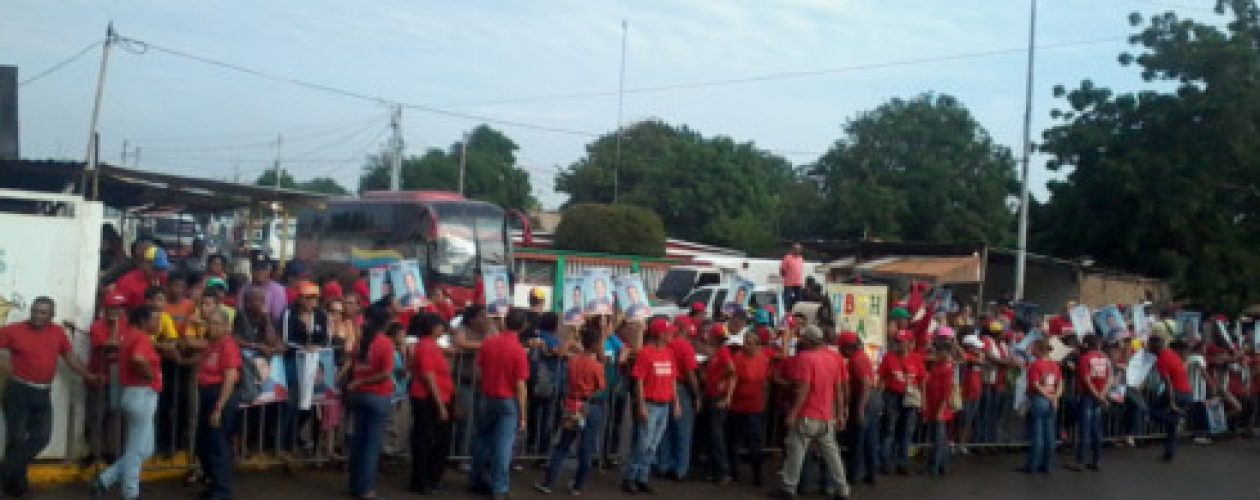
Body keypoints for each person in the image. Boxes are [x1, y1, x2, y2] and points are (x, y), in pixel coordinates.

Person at [0, 298, 97, 498]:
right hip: (19, 390)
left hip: (43, 392)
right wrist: (4, 364)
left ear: (51, 315)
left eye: (43, 312)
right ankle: (16, 484)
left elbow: (69, 357)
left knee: (42, 437)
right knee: (16, 438)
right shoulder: (13, 330)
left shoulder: (57, 332)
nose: (37, 315)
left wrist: (88, 375)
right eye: (35, 311)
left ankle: (6, 475)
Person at [91, 305, 163, 500]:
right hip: (142, 393)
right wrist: (150, 374)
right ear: (143, 320)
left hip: (135, 393)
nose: (158, 323)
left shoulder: (130, 335)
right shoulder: (139, 337)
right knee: (136, 449)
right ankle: (130, 493)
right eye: (155, 319)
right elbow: (138, 358)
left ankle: (105, 480)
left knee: (144, 449)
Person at [770, 325, 849, 500]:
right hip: (826, 415)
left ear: (808, 340)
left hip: (807, 414)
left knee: (796, 452)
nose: (801, 340)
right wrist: (841, 413)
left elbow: (803, 389)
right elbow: (839, 389)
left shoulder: (805, 358)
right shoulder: (833, 358)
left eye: (803, 338)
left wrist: (793, 413)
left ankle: (789, 487)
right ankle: (842, 488)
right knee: (832, 455)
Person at [535, 323, 608, 496]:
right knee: (586, 447)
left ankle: (548, 482)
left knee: (563, 444)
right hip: (590, 405)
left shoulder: (573, 361)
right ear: (595, 345)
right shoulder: (596, 366)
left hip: (572, 404)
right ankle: (578, 485)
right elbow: (601, 386)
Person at [471, 308, 530, 500]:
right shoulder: (518, 351)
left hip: (487, 397)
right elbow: (521, 386)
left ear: (505, 322)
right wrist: (523, 414)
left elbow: (477, 371)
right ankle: (499, 487)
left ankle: (477, 478)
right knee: (503, 446)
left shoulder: (488, 343)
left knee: (482, 440)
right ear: (522, 327)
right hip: (507, 401)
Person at [343, 305, 397, 500]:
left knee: (358, 442)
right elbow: (385, 373)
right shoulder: (384, 343)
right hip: (377, 395)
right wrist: (364, 381)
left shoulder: (361, 340)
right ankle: (365, 489)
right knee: (371, 446)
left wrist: (358, 381)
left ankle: (355, 484)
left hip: (359, 395)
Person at [623, 317, 680, 494]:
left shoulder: (669, 352)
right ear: (660, 334)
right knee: (643, 443)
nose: (671, 334)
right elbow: (638, 380)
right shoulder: (646, 353)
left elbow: (672, 379)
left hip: (664, 405)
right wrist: (641, 405)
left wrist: (675, 402)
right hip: (651, 404)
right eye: (668, 332)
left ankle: (642, 477)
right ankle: (631, 477)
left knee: (653, 444)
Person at [190, 307, 241, 500]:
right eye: (209, 322)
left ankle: (222, 490)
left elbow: (229, 376)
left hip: (220, 395)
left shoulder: (227, 345)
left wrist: (219, 407)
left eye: (215, 323)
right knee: (205, 443)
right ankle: (213, 483)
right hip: (208, 393)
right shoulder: (212, 343)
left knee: (218, 444)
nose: (210, 327)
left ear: (226, 326)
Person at [279, 281, 330, 455]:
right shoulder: (289, 313)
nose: (310, 302)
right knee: (292, 401)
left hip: (314, 361)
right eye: (307, 298)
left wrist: (316, 347)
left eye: (314, 298)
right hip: (293, 360)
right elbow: (286, 339)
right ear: (299, 298)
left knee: (310, 403)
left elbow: (325, 339)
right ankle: (284, 441)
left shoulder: (321, 315)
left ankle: (295, 436)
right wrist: (303, 346)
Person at [408, 312, 455, 494]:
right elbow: (429, 377)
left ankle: (429, 479)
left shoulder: (429, 346)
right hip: (429, 399)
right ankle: (424, 481)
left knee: (432, 440)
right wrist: (441, 405)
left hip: (434, 398)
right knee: (428, 441)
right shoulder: (427, 347)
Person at [727, 322, 774, 487]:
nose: (745, 345)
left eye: (749, 342)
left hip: (755, 407)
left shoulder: (764, 359)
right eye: (745, 341)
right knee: (734, 441)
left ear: (757, 345)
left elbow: (766, 383)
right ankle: (734, 473)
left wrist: (765, 402)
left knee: (755, 442)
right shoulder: (738, 357)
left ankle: (757, 474)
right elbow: (732, 379)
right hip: (737, 406)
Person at [656, 311, 701, 482]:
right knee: (682, 430)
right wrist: (697, 395)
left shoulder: (666, 344)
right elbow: (690, 374)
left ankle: (663, 465)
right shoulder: (684, 346)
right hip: (680, 388)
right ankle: (680, 469)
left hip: (664, 386)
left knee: (665, 430)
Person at [839, 331, 880, 486]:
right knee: (869, 440)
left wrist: (860, 408)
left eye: (841, 347)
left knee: (858, 440)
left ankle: (854, 474)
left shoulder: (856, 360)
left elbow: (865, 383)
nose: (840, 351)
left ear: (848, 347)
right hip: (872, 400)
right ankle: (871, 473)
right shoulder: (861, 357)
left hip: (865, 401)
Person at [878, 331, 921, 475]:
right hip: (891, 396)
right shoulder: (888, 357)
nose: (899, 344)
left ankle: (903, 463)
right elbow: (881, 379)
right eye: (898, 341)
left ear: (910, 343)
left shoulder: (916, 358)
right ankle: (886, 463)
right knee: (889, 429)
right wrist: (880, 398)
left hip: (910, 398)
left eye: (902, 341)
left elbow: (922, 379)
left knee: (907, 431)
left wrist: (923, 400)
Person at [699, 321, 736, 484]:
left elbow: (731, 369)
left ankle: (722, 472)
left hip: (717, 399)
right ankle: (713, 470)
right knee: (711, 435)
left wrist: (721, 382)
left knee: (716, 436)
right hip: (712, 396)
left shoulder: (723, 351)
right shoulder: (716, 352)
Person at [1019, 339, 1062, 474]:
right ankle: (1047, 464)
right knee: (1049, 433)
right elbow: (1060, 383)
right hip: (1051, 398)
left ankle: (1033, 465)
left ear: (1038, 349)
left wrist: (1047, 396)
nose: (1031, 350)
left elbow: (1035, 384)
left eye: (1033, 348)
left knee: (1037, 433)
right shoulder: (1054, 365)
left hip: (1039, 399)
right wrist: (1055, 396)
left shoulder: (1035, 365)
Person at [1071, 335, 1112, 471]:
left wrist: (1096, 395)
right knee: (1096, 429)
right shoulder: (1105, 358)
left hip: (1087, 396)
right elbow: (1110, 378)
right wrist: (1102, 395)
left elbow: (1087, 380)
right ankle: (1097, 460)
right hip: (1099, 395)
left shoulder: (1085, 358)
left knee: (1085, 430)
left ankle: (1080, 461)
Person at [1150, 336, 1192, 462]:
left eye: (1150, 345)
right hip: (1187, 392)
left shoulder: (1161, 359)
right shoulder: (1171, 354)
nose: (1148, 348)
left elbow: (1168, 382)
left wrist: (1172, 402)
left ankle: (1175, 420)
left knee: (1153, 411)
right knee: (1171, 429)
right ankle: (1169, 453)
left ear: (1155, 346)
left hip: (1177, 392)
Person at [923, 338, 955, 476]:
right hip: (933, 406)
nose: (936, 353)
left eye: (939, 351)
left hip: (939, 408)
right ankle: (941, 466)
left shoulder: (947, 369)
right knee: (939, 439)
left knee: (938, 439)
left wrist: (940, 411)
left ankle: (935, 467)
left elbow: (946, 392)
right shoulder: (937, 366)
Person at [113, 244, 169, 310]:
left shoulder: (165, 278)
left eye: (162, 268)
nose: (159, 272)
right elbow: (117, 309)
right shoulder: (126, 282)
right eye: (156, 268)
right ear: (145, 263)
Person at [236, 256, 287, 322]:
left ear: (269, 270)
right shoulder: (244, 288)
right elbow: (240, 313)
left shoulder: (278, 290)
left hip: (270, 326)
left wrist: (264, 315)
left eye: (263, 269)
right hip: (247, 326)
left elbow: (278, 318)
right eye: (256, 268)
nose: (259, 272)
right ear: (251, 270)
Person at [781, 243, 804, 310]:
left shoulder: (800, 258)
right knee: (787, 299)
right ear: (793, 249)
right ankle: (786, 311)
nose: (798, 251)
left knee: (799, 300)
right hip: (789, 282)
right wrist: (786, 277)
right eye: (796, 249)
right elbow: (782, 269)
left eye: (799, 249)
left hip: (798, 282)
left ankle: (798, 311)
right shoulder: (787, 257)